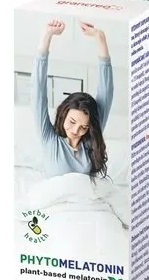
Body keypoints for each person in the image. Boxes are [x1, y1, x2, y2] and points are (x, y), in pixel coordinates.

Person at [32, 19, 114, 180]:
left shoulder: (90, 144)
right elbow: (38, 93)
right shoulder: (50, 139)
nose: (76, 131)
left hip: (86, 196)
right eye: (72, 122)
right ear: (64, 114)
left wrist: (100, 38)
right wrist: (47, 35)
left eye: (84, 127)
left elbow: (106, 91)